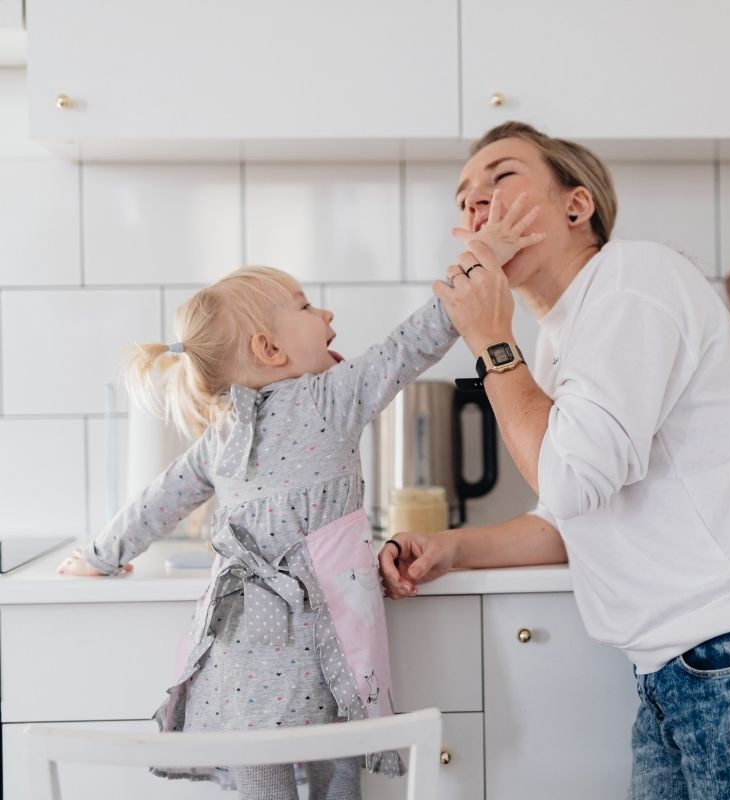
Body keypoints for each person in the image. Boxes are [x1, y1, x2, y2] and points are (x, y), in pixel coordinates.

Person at [378, 122, 730, 800]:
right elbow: (569, 514)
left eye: (501, 178)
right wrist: (451, 548)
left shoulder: (633, 280)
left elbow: (568, 477)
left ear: (576, 205)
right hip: (688, 671)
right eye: (464, 199)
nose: (476, 205)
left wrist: (492, 342)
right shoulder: (568, 334)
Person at [52, 255, 541, 798]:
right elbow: (409, 345)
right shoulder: (327, 397)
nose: (327, 314)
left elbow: (157, 501)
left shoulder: (224, 433)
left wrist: (96, 557)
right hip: (329, 642)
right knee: (338, 769)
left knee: (262, 769)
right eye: (307, 306)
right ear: (269, 348)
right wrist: (465, 283)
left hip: (243, 658)